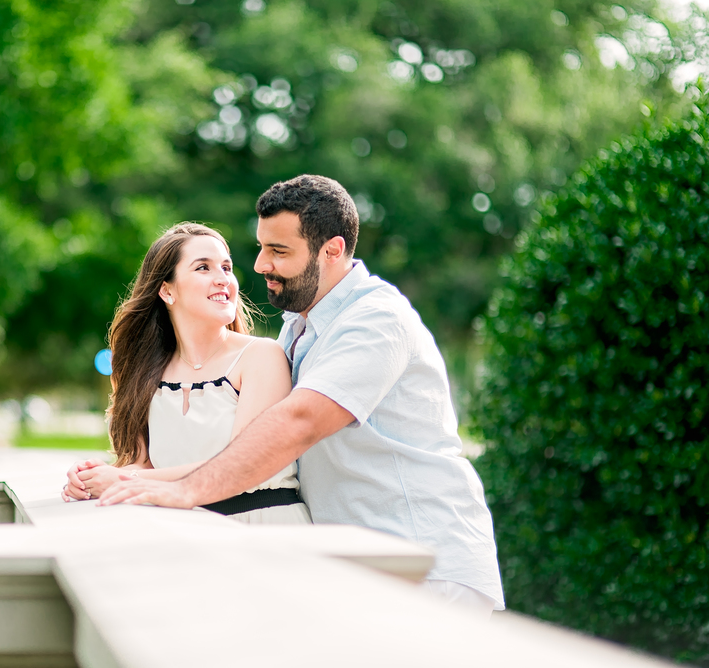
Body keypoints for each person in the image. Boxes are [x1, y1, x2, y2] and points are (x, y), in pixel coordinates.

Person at [98, 175, 504, 616]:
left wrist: (184, 490)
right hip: (353, 562)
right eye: (261, 247)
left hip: (423, 562)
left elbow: (300, 422)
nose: (259, 266)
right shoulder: (300, 323)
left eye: (279, 251)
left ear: (331, 251)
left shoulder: (375, 320)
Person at [62, 222, 311, 524]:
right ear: (166, 290)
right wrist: (92, 478)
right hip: (185, 527)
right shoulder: (144, 374)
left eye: (226, 267)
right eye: (203, 268)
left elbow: (243, 465)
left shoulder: (261, 357)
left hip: (262, 525)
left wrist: (122, 481)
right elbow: (144, 466)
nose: (223, 279)